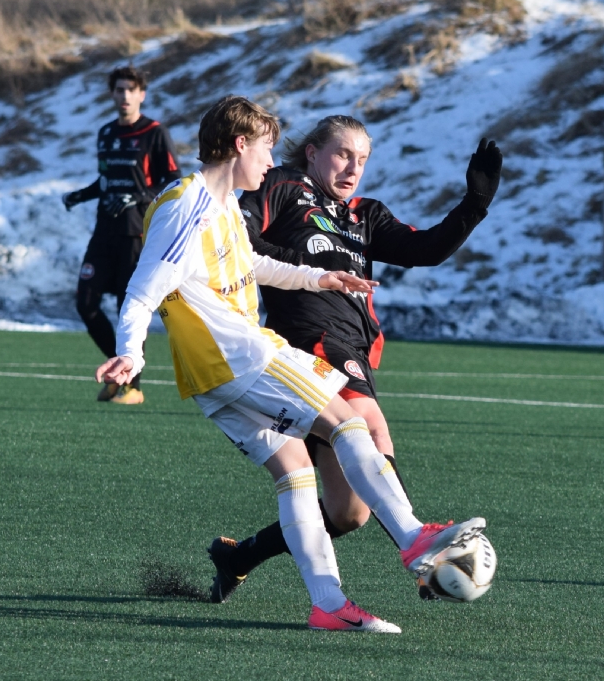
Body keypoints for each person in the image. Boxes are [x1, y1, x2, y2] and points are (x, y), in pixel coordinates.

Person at [95, 96, 486, 633]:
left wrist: (319, 278)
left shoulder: (221, 202)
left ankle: (329, 605)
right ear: (240, 145)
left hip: (210, 378)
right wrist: (131, 352)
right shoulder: (189, 205)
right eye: (265, 149)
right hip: (240, 354)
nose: (270, 161)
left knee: (296, 473)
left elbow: (252, 262)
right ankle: (414, 539)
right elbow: (143, 289)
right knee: (348, 422)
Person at [206, 115, 502, 603]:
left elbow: (424, 249)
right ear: (313, 152)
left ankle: (238, 558)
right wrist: (308, 268)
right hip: (308, 338)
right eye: (343, 154)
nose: (352, 168)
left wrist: (475, 204)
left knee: (349, 513)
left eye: (362, 159)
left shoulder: (365, 215)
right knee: (370, 427)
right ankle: (423, 554)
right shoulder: (282, 186)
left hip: (354, 345)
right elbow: (239, 240)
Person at [63, 66, 181, 404]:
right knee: (85, 303)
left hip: (135, 233)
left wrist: (138, 197)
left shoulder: (155, 133)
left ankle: (133, 387)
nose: (125, 95)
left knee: (125, 309)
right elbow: (105, 181)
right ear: (112, 94)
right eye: (119, 89)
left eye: (131, 89)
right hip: (104, 232)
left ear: (142, 94)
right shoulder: (105, 133)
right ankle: (119, 369)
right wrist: (81, 195)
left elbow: (173, 180)